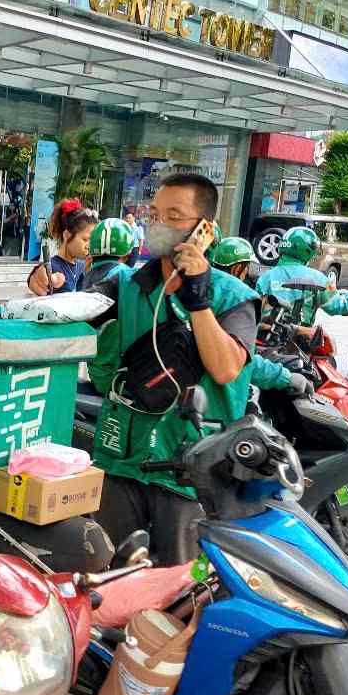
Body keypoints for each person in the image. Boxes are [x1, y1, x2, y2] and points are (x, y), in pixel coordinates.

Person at [86, 173, 258, 566]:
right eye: (153, 213)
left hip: (187, 470)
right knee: (110, 574)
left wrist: (199, 301)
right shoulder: (129, 284)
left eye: (173, 215)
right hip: (122, 461)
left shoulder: (233, 295)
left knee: (178, 585)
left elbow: (227, 368)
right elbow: (85, 323)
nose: (157, 223)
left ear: (204, 229)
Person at [210, 236, 313, 396]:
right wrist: (285, 377)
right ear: (238, 269)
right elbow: (240, 360)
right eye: (248, 269)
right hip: (220, 399)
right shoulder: (237, 297)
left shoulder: (203, 288)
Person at [255, 227, 348, 328]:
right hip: (299, 339)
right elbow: (336, 305)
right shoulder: (319, 278)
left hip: (264, 338)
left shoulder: (265, 277)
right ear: (307, 250)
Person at [28, 201, 96, 294]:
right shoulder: (53, 266)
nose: (89, 246)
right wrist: (34, 277)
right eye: (85, 239)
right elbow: (39, 275)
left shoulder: (82, 265)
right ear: (67, 235)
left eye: (92, 241)